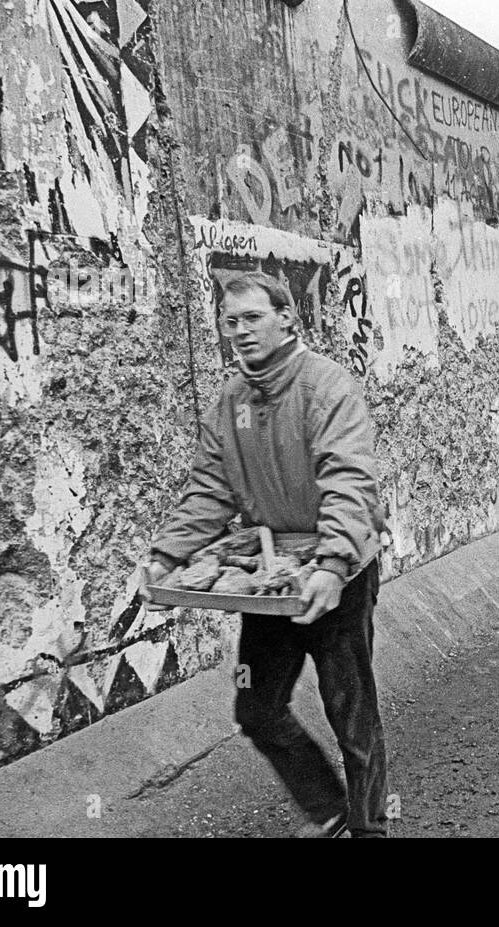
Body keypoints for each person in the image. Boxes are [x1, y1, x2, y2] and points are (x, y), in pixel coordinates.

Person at [140, 271, 389, 838]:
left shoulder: (327, 386)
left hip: (338, 570)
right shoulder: (231, 401)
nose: (241, 331)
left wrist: (332, 566)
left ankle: (369, 828)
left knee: (350, 712)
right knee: (256, 708)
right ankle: (329, 807)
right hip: (272, 572)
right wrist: (165, 556)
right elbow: (210, 488)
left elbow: (349, 480)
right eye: (230, 322)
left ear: (286, 319)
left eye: (253, 318)